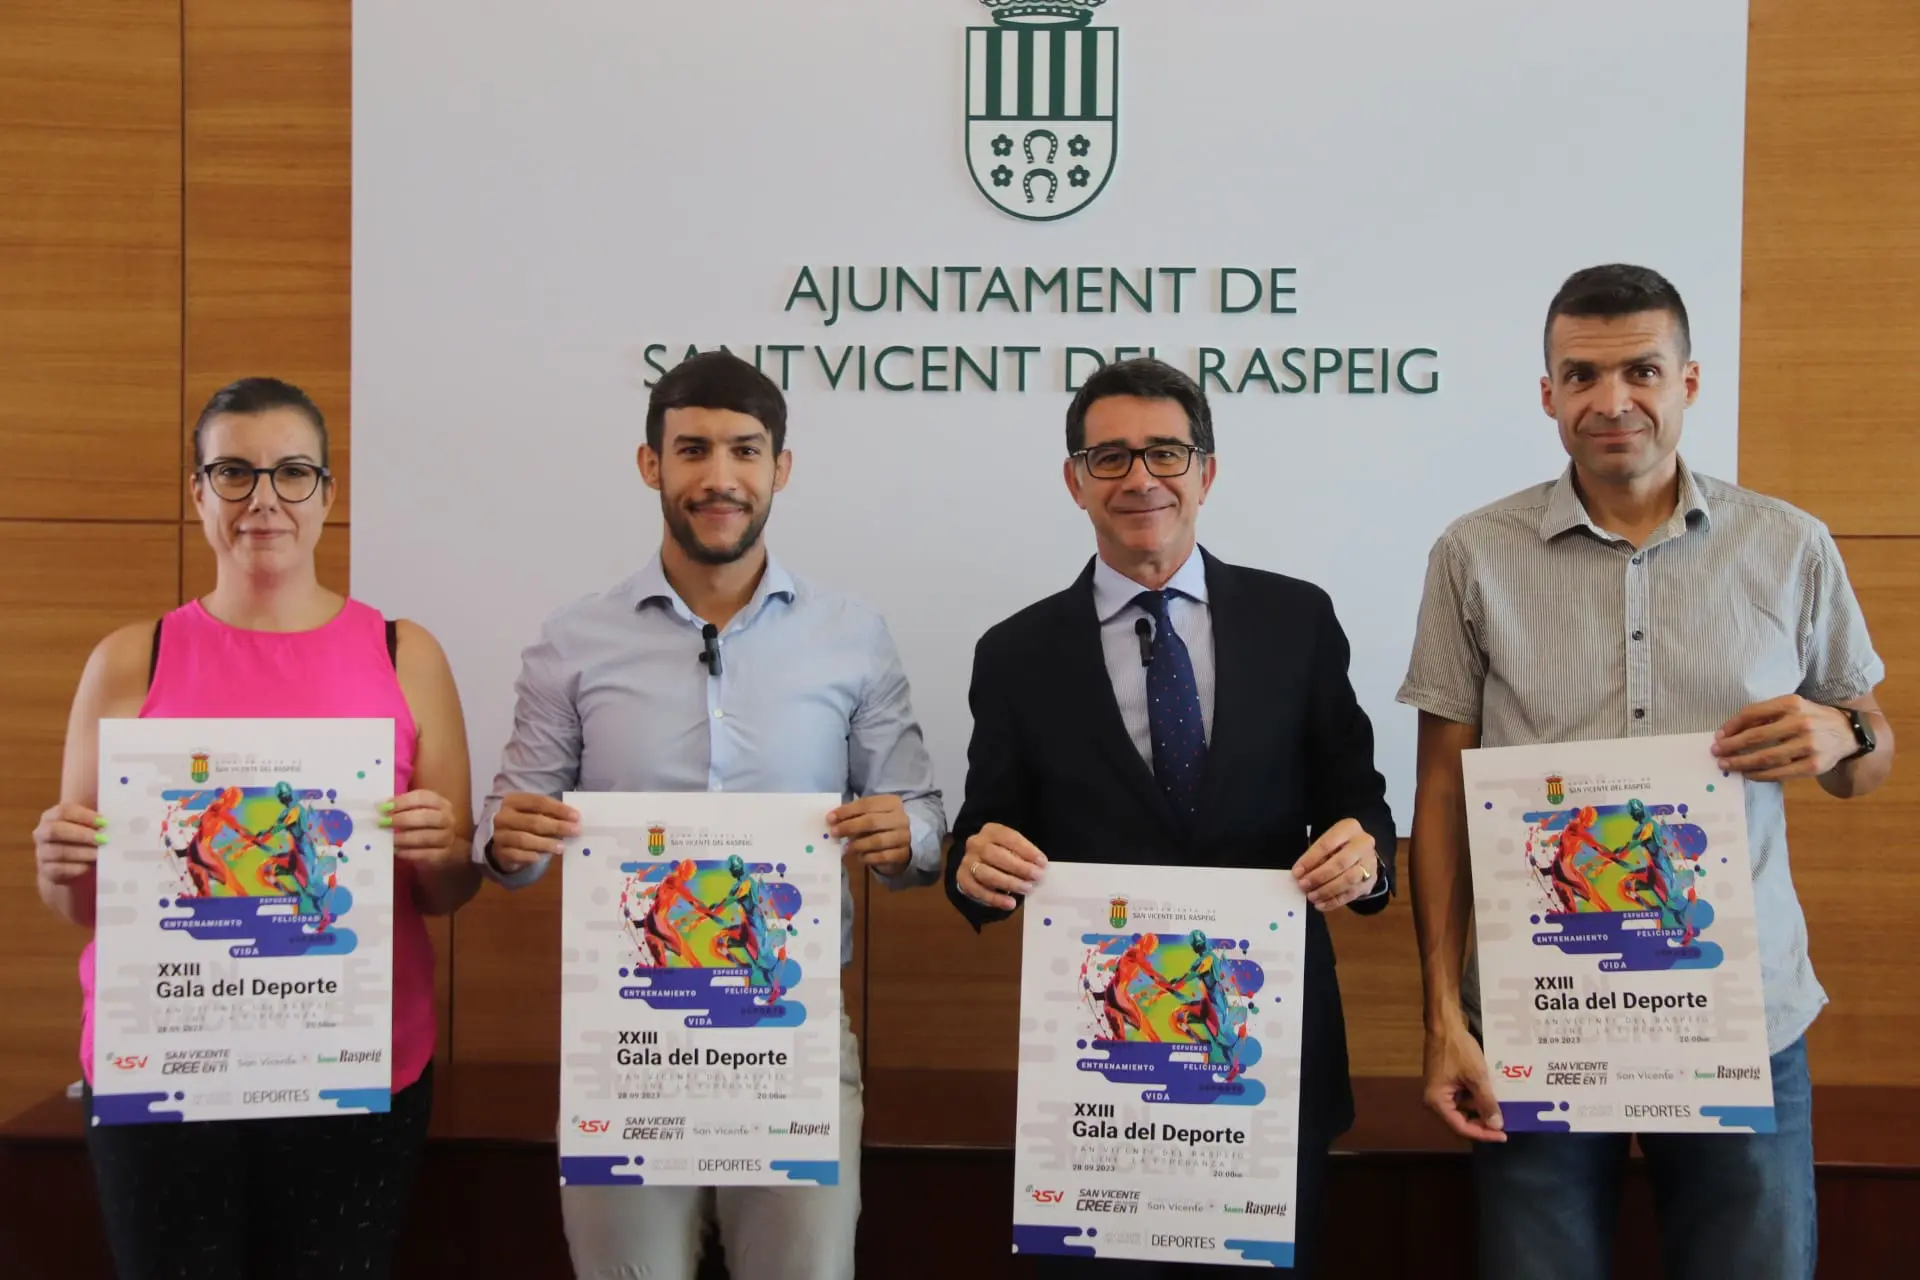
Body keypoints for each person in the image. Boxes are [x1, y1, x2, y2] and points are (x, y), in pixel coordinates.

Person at [1399, 263, 1897, 1280]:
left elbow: (1870, 755)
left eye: (1642, 370)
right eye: (1582, 375)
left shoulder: (1789, 545)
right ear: (1548, 392)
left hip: (1740, 1012)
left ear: (1689, 381)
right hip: (1540, 1010)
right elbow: (1441, 796)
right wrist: (1441, 1015)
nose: (1611, 400)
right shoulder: (1473, 554)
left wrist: (1843, 735)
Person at [476, 350, 947, 1280]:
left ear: (781, 467)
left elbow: (921, 824)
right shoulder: (574, 639)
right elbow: (509, 838)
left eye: (745, 450)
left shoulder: (851, 636)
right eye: (692, 450)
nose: (719, 477)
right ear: (651, 463)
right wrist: (507, 841)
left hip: (791, 1030)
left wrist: (907, 837)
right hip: (628, 1033)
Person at [946, 357, 1396, 1278]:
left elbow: (1359, 803)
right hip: (1104, 1063)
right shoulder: (1016, 653)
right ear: (1075, 481)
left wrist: (1367, 857)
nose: (1139, 478)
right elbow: (985, 834)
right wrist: (973, 865)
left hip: (1264, 1049)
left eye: (1165, 453)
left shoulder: (1298, 620)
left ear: (1207, 472)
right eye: (1108, 458)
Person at [30, 376, 481, 1279]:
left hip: (353, 1060)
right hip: (164, 1061)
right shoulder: (129, 659)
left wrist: (444, 850)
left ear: (327, 493)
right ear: (198, 493)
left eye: (292, 472)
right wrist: (59, 860)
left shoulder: (405, 654)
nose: (263, 499)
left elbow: (445, 891)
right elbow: (80, 905)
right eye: (233, 473)